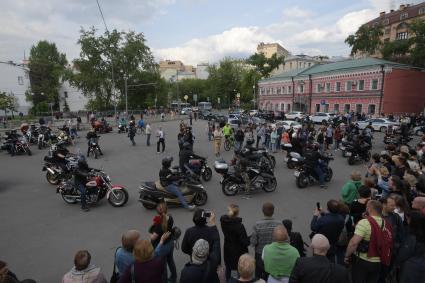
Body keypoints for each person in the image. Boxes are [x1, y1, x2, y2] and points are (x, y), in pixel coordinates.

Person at [344, 200, 392, 283]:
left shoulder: (365, 223)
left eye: (367, 207)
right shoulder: (386, 223)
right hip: (378, 261)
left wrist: (347, 255)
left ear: (369, 209)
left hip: (362, 260)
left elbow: (354, 243)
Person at [251, 202, 281, 280]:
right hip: (274, 253)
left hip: (259, 254)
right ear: (273, 211)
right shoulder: (279, 224)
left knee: (258, 274)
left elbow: (253, 242)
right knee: (270, 274)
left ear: (263, 211)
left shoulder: (257, 225)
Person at [220, 204, 250, 280]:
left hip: (227, 249)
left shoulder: (224, 222)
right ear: (237, 213)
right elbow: (245, 242)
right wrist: (250, 238)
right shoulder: (239, 226)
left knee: (228, 268)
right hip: (238, 251)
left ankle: (228, 280)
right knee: (238, 269)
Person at [149, 202, 177, 283]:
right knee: (170, 260)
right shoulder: (170, 217)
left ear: (158, 212)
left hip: (161, 247)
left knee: (163, 267)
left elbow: (153, 237)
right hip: (170, 243)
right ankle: (173, 278)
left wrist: (150, 231)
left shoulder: (159, 224)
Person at [394, 211, 425, 283]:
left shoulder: (412, 237)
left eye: (408, 219)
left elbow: (404, 253)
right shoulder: (420, 234)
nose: (407, 221)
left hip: (410, 268)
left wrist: (397, 263)